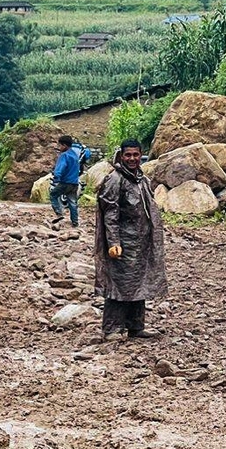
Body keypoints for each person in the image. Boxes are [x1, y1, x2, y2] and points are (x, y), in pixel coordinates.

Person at [94, 139, 168, 339]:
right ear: (121, 156)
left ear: (141, 155)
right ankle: (111, 328)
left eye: (136, 155)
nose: (132, 159)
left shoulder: (141, 179)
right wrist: (114, 242)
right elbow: (110, 213)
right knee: (119, 284)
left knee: (139, 282)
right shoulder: (115, 179)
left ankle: (136, 327)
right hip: (123, 243)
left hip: (141, 243)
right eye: (128, 155)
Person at [50, 134, 80, 228]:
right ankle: (75, 221)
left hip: (65, 182)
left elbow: (60, 168)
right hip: (74, 183)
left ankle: (59, 214)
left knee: (53, 194)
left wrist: (56, 177)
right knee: (72, 202)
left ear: (64, 145)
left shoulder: (64, 155)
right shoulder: (75, 156)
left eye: (60, 145)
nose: (59, 148)